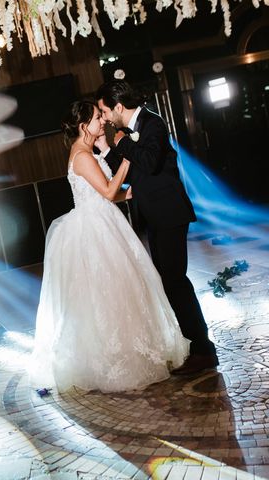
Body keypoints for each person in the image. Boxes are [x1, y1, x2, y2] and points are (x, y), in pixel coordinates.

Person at [28, 100, 189, 393]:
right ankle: (111, 361)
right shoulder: (81, 155)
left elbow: (109, 194)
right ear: (83, 126)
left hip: (104, 220)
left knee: (121, 290)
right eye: (96, 118)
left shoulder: (88, 151)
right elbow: (108, 190)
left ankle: (129, 350)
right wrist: (128, 155)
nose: (102, 121)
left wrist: (129, 195)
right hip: (94, 229)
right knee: (107, 291)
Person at [95, 80, 218, 375]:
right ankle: (192, 345)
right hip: (154, 216)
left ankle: (203, 349)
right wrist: (107, 149)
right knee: (168, 282)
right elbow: (132, 168)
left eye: (104, 110)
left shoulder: (153, 123)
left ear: (118, 107)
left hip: (170, 214)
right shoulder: (129, 133)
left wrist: (121, 142)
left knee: (175, 281)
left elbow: (148, 162)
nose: (105, 117)